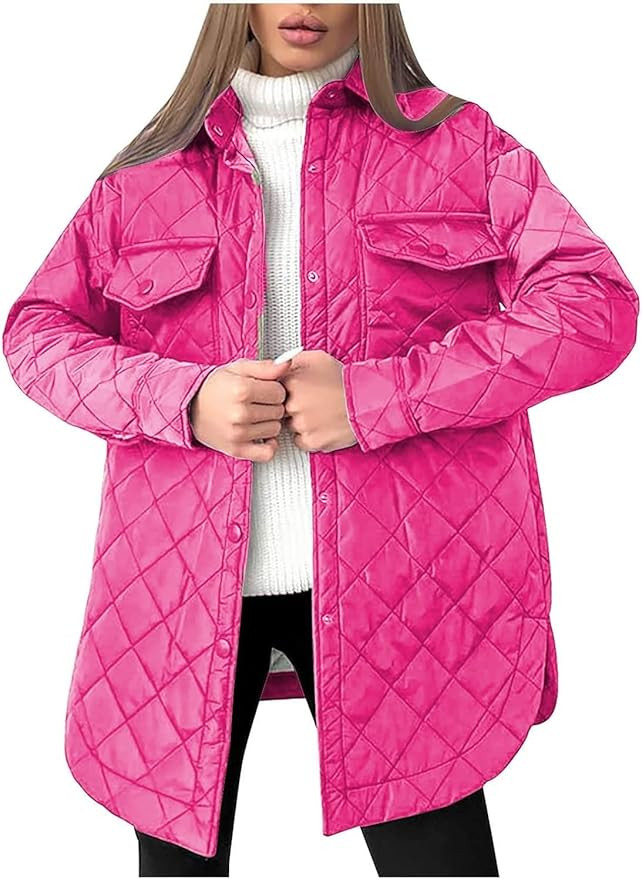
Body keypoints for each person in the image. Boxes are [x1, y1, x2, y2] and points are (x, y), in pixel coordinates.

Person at [2, 4, 638, 877]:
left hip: (406, 590)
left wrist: (380, 397)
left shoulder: (459, 144)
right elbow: (37, 335)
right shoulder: (149, 169)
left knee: (437, 857)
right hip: (180, 595)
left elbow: (595, 308)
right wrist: (185, 399)